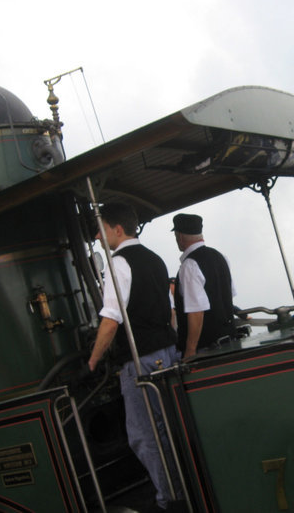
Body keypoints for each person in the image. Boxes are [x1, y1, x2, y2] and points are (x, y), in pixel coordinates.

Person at [86, 203, 180, 512]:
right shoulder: (154, 258)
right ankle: (183, 487)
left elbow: (111, 319)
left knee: (144, 435)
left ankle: (170, 500)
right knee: (168, 426)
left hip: (141, 359)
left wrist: (93, 361)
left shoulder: (119, 263)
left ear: (117, 229)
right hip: (167, 351)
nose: (98, 236)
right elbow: (169, 311)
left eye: (101, 229)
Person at [171, 213, 236, 359]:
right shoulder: (221, 257)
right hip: (230, 342)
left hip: (206, 349)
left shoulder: (189, 265)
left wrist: (190, 351)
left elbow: (196, 312)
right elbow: (228, 296)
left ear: (179, 237)